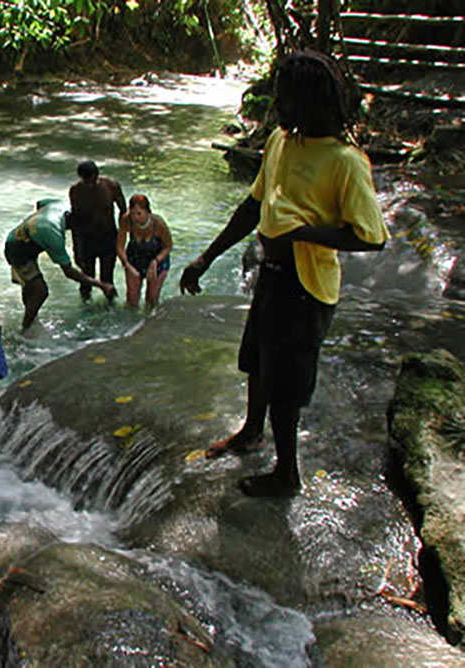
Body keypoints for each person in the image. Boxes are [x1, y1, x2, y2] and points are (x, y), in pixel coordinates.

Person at [179, 50, 389, 498]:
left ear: (309, 100)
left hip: (307, 285)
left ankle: (287, 474)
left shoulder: (344, 161)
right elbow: (253, 206)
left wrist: (301, 234)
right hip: (273, 276)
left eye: (285, 95)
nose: (276, 103)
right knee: (258, 361)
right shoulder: (279, 141)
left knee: (287, 384)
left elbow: (372, 237)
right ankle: (252, 431)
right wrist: (207, 257)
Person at [5, 199, 117, 330]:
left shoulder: (59, 205)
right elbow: (68, 272)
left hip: (21, 237)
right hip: (17, 251)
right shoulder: (53, 234)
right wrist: (101, 285)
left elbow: (40, 204)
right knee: (40, 292)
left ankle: (32, 318)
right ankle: (25, 329)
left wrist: (35, 228)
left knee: (31, 287)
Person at [68, 160, 126, 302]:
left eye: (92, 180)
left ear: (97, 175)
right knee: (86, 278)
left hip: (108, 237)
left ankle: (110, 308)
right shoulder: (75, 191)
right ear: (80, 177)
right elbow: (75, 220)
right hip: (87, 239)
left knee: (107, 277)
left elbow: (124, 212)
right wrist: (76, 248)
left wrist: (122, 239)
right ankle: (84, 308)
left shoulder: (111, 186)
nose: (90, 184)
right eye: (86, 181)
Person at [117, 194, 172, 308]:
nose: (136, 217)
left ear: (147, 212)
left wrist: (155, 262)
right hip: (135, 257)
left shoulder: (158, 223)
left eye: (139, 214)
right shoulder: (126, 220)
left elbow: (168, 246)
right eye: (132, 213)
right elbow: (120, 247)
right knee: (132, 299)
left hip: (157, 258)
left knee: (151, 300)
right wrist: (127, 265)